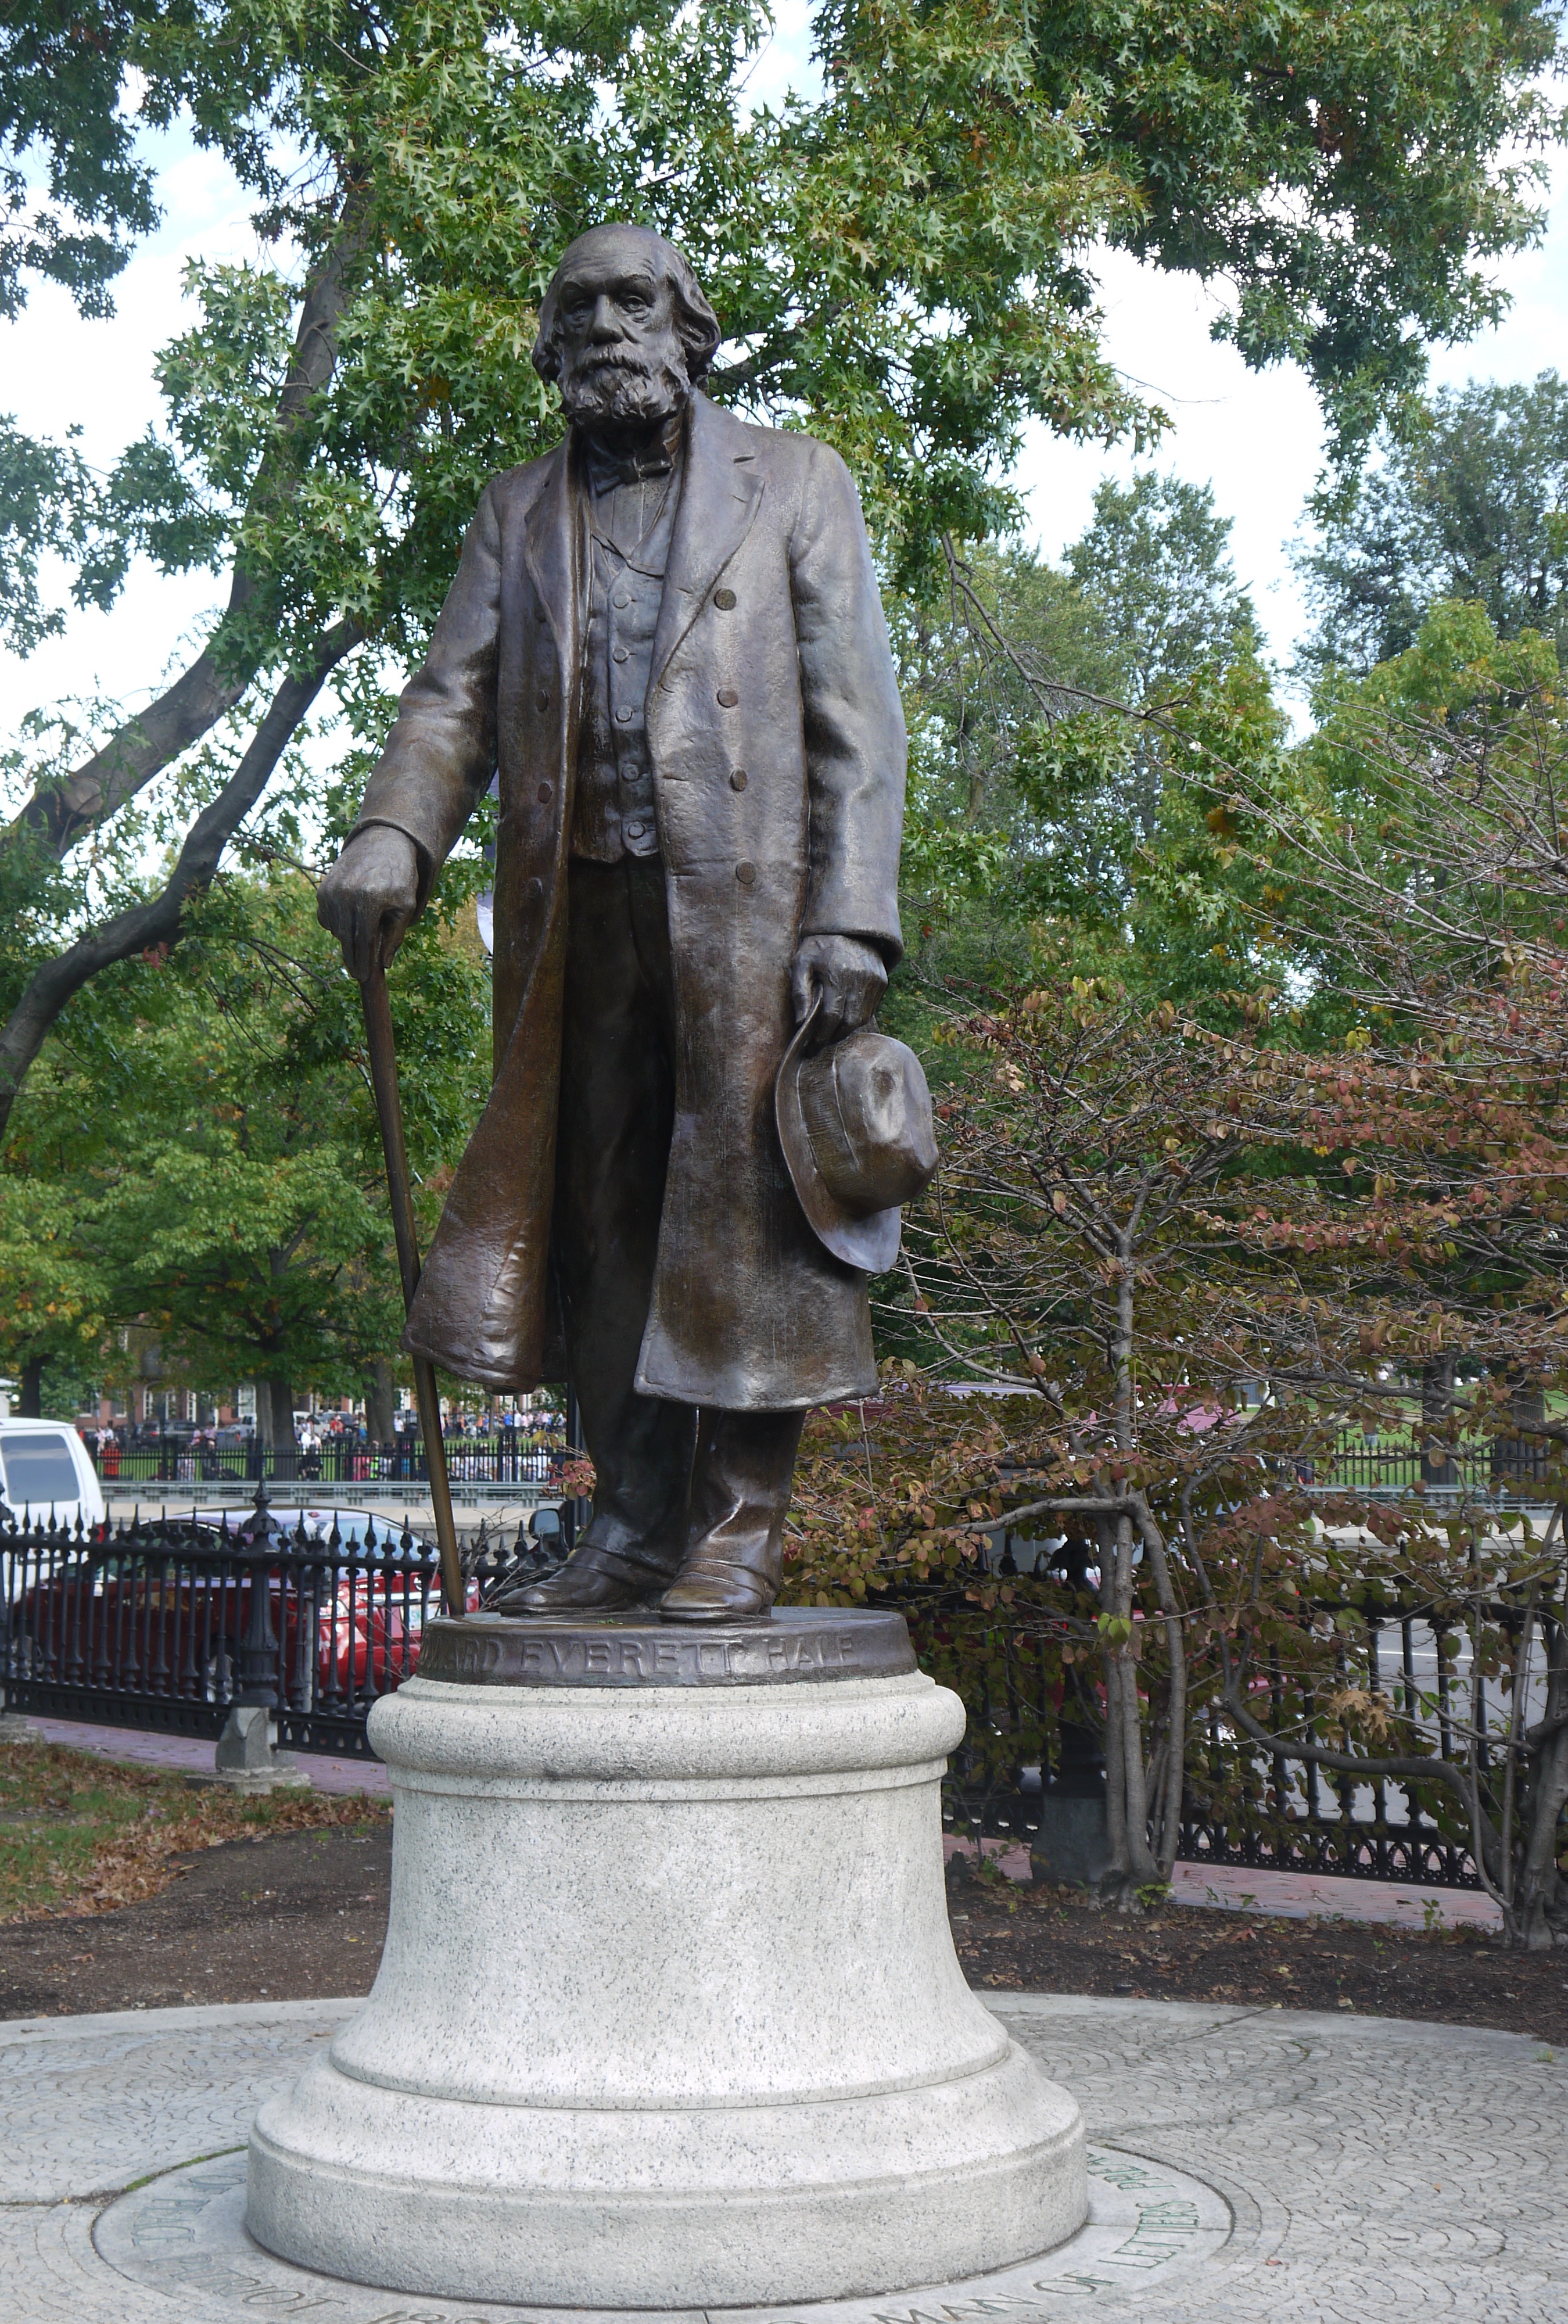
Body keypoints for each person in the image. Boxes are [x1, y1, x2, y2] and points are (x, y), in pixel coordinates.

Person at [317, 225, 910, 1622]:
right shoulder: (515, 511)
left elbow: (857, 718)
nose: (602, 327)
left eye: (631, 300)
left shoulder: (797, 481)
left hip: (752, 920)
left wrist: (852, 916)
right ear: (549, 345)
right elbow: (452, 700)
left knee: (753, 1212)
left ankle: (741, 1529)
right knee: (598, 1216)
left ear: (688, 328)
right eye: (575, 306)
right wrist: (395, 830)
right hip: (572, 918)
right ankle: (632, 1526)